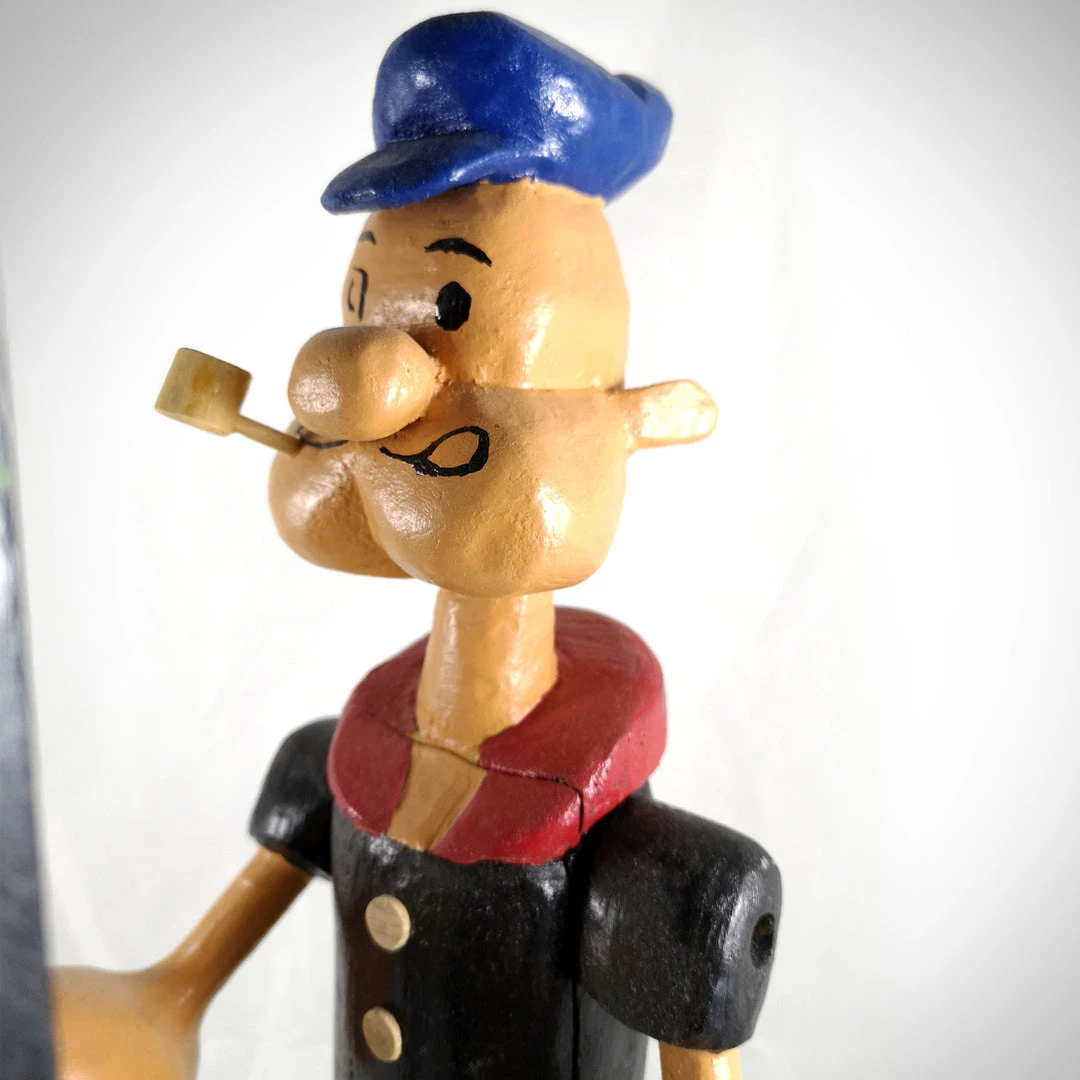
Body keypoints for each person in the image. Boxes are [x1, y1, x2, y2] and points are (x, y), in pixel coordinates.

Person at [51, 13, 780, 1079]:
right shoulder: (345, 759)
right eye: (363, 301)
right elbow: (188, 980)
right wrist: (164, 1002)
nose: (360, 386)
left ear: (638, 415)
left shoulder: (646, 862)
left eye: (451, 302)